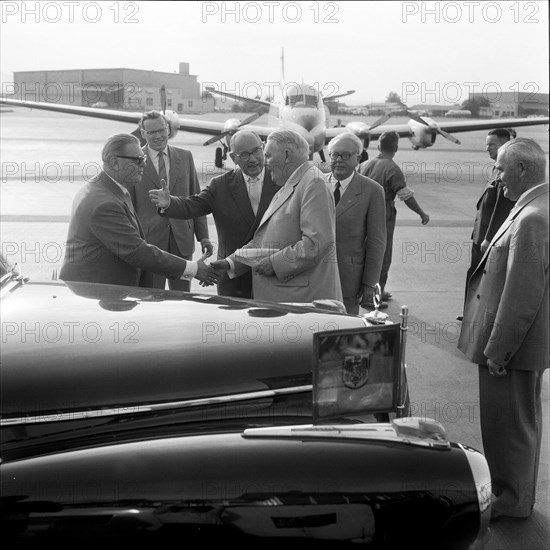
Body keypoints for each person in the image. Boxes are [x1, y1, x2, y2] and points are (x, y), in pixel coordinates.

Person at [458, 138, 549, 521]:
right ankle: (516, 495)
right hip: (520, 346)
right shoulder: (534, 206)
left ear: (523, 170)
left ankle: (511, 500)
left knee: (509, 426)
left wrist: (500, 350)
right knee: (520, 422)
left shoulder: (532, 218)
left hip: (512, 348)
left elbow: (521, 294)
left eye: (500, 167)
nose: (495, 176)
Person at [59, 133, 218, 288]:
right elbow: (136, 251)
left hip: (105, 291)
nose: (144, 164)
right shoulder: (105, 203)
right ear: (114, 162)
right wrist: (194, 269)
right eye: (138, 160)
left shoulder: (110, 189)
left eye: (144, 159)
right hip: (98, 291)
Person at [210, 129, 343, 304]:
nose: (265, 163)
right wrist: (230, 263)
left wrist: (274, 263)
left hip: (303, 302)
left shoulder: (313, 183)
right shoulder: (291, 184)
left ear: (287, 155)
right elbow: (262, 241)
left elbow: (316, 244)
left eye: (269, 156)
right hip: (289, 299)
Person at [149, 130, 278, 298]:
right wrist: (170, 203)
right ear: (233, 158)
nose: (253, 159)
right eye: (245, 155)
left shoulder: (281, 179)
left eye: (256, 151)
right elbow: (192, 205)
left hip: (271, 272)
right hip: (232, 275)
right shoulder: (221, 185)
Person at [129, 110, 213, 291]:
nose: (158, 136)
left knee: (182, 299)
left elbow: (196, 199)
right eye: (151, 132)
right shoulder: (134, 161)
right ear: (143, 134)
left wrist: (203, 236)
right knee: (152, 297)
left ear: (168, 129)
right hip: (150, 244)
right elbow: (130, 206)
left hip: (182, 240)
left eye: (162, 130)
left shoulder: (185, 157)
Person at [359, 130, 429, 304]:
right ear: (396, 147)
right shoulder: (392, 168)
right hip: (383, 217)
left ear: (379, 146)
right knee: (382, 255)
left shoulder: (365, 164)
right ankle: (374, 295)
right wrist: (421, 213)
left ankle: (364, 291)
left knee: (364, 253)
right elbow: (406, 196)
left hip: (363, 216)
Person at [324, 132, 386, 315]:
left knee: (343, 332)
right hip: (315, 277)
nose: (339, 160)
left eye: (345, 155)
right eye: (334, 155)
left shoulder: (372, 191)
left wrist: (369, 284)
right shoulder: (316, 183)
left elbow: (377, 242)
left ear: (357, 159)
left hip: (348, 280)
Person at [460, 128, 516, 315]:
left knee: (486, 278)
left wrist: (489, 237)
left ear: (505, 145)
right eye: (487, 145)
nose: (488, 149)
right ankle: (469, 313)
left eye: (492, 144)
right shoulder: (497, 168)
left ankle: (477, 316)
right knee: (473, 274)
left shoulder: (508, 171)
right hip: (480, 235)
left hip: (487, 239)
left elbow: (501, 208)